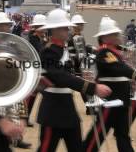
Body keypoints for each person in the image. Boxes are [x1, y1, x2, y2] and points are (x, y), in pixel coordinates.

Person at [37, 9, 112, 152]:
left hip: (67, 106)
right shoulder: (49, 51)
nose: (68, 30)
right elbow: (60, 77)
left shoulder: (61, 48)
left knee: (76, 147)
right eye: (65, 27)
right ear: (54, 30)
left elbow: (68, 74)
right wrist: (92, 87)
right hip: (53, 109)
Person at [83, 17, 136, 152]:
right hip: (111, 100)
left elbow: (123, 70)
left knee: (123, 135)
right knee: (97, 135)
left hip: (121, 99)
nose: (117, 36)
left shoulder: (115, 52)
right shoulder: (104, 52)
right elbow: (120, 69)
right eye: (114, 34)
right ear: (104, 38)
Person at [0, 12, 32, 149]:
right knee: (0, 112)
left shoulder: (13, 43)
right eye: (2, 25)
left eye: (7, 25)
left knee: (16, 109)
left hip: (13, 79)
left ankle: (17, 138)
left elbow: (24, 58)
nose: (6, 28)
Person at [26, 14, 47, 127]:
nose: (45, 29)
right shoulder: (33, 38)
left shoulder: (40, 38)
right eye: (43, 27)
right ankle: (26, 116)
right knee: (32, 95)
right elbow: (40, 53)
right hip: (34, 69)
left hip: (39, 69)